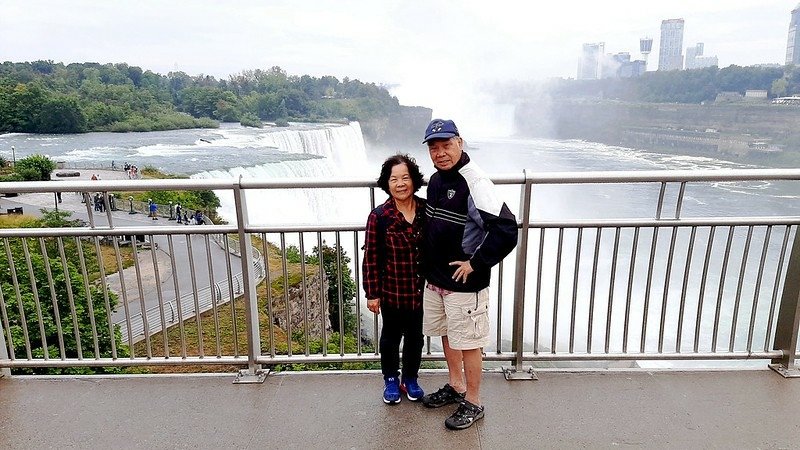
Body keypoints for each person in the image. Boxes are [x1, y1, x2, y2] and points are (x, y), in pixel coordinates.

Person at [420, 119, 518, 430]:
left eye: (446, 146)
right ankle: (456, 386)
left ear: (460, 143)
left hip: (465, 283)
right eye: (434, 148)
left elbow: (506, 229)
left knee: (470, 343)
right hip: (437, 281)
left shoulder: (475, 183)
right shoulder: (437, 181)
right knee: (449, 334)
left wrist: (476, 263)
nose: (440, 153)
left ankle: (474, 402)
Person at [362, 154, 427, 405]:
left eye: (405, 178)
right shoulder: (380, 216)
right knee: (390, 337)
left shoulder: (424, 210)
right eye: (394, 179)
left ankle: (410, 378)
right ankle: (390, 379)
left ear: (414, 180)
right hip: (392, 290)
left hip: (421, 290)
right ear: (386, 184)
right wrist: (372, 293)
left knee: (416, 337)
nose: (400, 184)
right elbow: (372, 257)